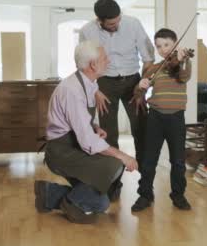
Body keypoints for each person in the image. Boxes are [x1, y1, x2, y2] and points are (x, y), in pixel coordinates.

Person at [34, 40, 139, 224]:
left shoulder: (88, 83)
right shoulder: (72, 90)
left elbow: (82, 119)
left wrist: (95, 127)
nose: (108, 60)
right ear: (93, 64)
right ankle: (72, 203)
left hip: (73, 146)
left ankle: (49, 194)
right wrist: (124, 156)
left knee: (101, 202)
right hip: (62, 152)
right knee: (114, 164)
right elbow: (88, 142)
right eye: (104, 58)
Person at [78, 0, 155, 195]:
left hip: (133, 82)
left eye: (118, 20)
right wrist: (95, 90)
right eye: (111, 24)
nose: (116, 25)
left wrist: (141, 89)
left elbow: (148, 59)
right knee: (108, 134)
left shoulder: (133, 24)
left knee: (142, 131)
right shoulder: (87, 31)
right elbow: (83, 64)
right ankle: (113, 184)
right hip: (104, 84)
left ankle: (146, 185)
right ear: (99, 20)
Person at [131, 28, 192, 212]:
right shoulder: (154, 69)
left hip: (176, 118)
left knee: (178, 160)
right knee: (149, 159)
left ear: (175, 44)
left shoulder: (182, 64)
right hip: (155, 118)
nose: (163, 49)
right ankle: (145, 194)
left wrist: (182, 60)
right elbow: (138, 93)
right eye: (159, 46)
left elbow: (184, 76)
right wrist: (140, 86)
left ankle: (178, 195)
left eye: (167, 45)